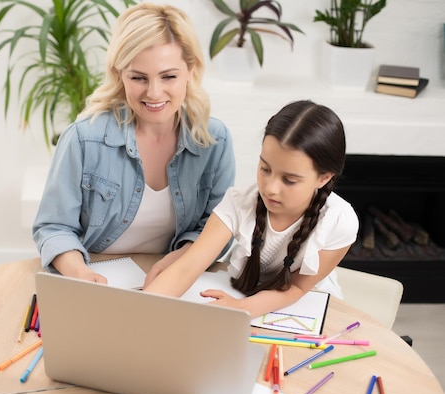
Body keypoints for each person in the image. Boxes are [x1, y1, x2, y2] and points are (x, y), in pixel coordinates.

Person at [32, 3, 236, 283]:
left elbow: (217, 228)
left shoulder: (215, 141)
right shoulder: (83, 138)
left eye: (169, 76)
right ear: (119, 74)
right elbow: (54, 227)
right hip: (96, 274)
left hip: (175, 280)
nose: (154, 93)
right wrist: (81, 275)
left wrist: (179, 261)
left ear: (191, 70)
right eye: (138, 77)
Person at [144, 100, 359, 318]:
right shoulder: (239, 202)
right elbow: (186, 268)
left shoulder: (340, 221)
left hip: (304, 309)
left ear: (324, 178)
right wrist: (140, 312)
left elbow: (297, 288)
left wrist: (243, 308)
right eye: (265, 168)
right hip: (242, 293)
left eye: (290, 180)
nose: (271, 188)